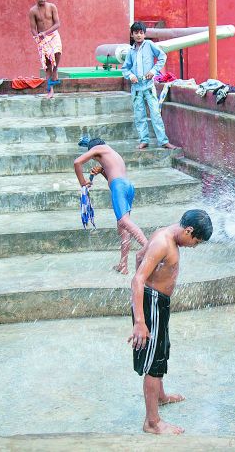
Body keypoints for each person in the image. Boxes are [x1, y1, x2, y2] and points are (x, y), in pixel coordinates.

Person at [128, 209, 213, 435]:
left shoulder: (165, 234)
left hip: (158, 303)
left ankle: (161, 396)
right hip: (152, 304)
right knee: (153, 362)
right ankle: (152, 422)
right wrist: (140, 321)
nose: (194, 246)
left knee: (161, 350)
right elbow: (137, 280)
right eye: (195, 242)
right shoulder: (163, 243)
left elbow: (138, 257)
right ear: (189, 230)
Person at [74, 137, 147, 274]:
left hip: (119, 187)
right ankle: (123, 265)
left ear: (94, 151)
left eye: (95, 158)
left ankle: (149, 247)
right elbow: (112, 177)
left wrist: (83, 182)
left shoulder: (97, 148)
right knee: (123, 229)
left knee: (125, 222)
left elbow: (77, 162)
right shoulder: (112, 153)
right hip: (127, 186)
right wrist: (102, 171)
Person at [121, 21, 178, 150]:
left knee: (155, 113)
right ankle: (144, 140)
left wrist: (153, 71)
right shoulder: (130, 51)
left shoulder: (150, 45)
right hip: (136, 88)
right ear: (132, 35)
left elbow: (162, 57)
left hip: (149, 86)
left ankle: (163, 141)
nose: (139, 35)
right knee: (139, 115)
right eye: (136, 33)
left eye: (141, 33)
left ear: (145, 34)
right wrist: (131, 76)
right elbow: (125, 68)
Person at [29, 0, 62, 99]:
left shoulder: (52, 7)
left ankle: (56, 69)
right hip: (42, 39)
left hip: (53, 35)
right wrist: (37, 37)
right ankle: (50, 90)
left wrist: (46, 32)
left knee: (58, 53)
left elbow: (58, 24)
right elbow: (33, 28)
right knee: (48, 66)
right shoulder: (32, 11)